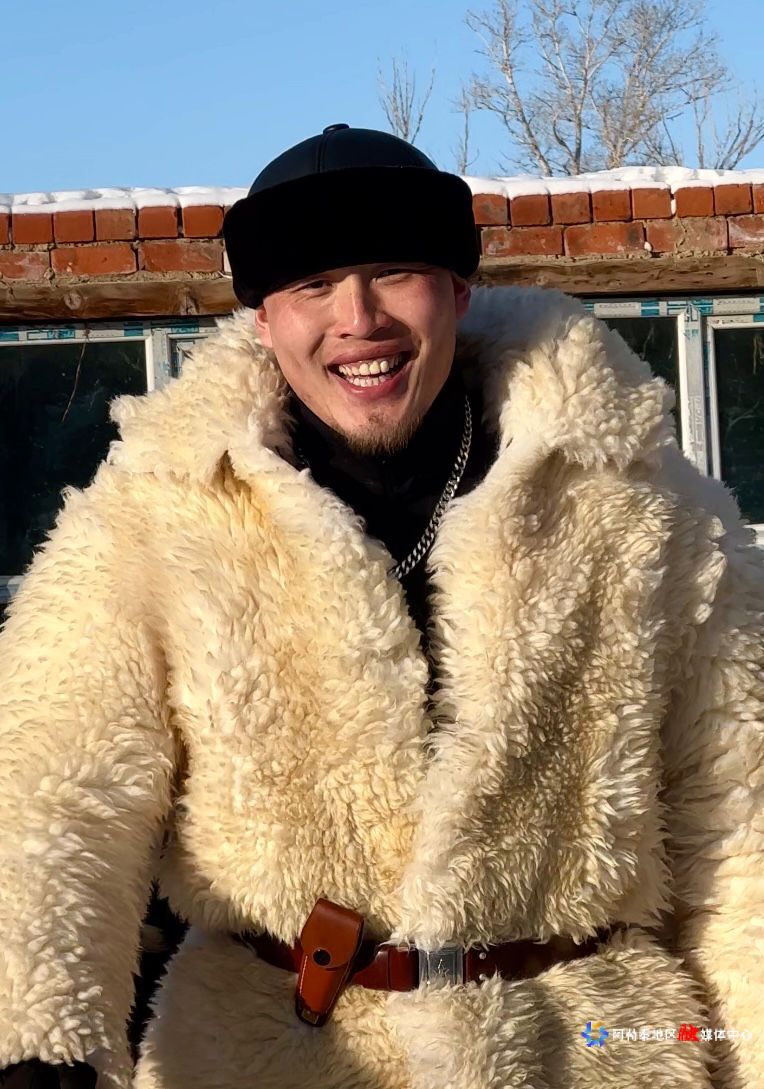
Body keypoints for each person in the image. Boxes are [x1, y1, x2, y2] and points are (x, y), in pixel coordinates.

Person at [0, 124, 761, 1089]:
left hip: (596, 1047)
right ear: (264, 317)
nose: (358, 318)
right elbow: (54, 790)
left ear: (457, 290)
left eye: (394, 272)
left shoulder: (641, 502)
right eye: (313, 284)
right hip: (264, 1055)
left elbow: (740, 810)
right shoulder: (157, 510)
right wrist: (40, 1039)